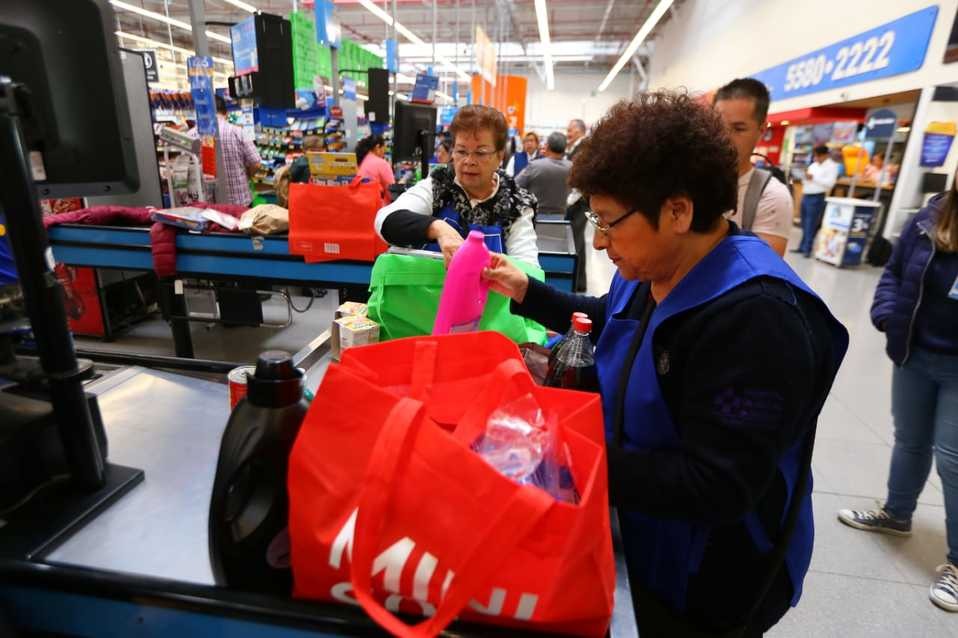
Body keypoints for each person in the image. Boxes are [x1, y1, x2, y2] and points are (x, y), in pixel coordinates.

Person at [482, 92, 848, 636]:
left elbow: (718, 485)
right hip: (645, 525)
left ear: (678, 210)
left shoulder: (756, 320)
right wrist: (527, 292)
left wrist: (560, 459)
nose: (601, 242)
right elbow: (611, 320)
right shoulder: (652, 272)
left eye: (609, 222)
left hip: (713, 575)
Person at [837, 171, 958, 613]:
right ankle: (897, 512)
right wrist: (887, 313)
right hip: (915, 351)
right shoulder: (931, 214)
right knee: (909, 439)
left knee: (953, 458)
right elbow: (893, 272)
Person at [375, 104, 538, 266]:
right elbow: (385, 220)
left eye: (480, 153)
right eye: (461, 151)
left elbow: (529, 268)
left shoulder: (516, 204)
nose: (469, 161)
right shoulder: (439, 186)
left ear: (500, 156)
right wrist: (437, 228)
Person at [713, 78, 793, 256]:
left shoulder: (771, 196)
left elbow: (760, 271)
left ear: (761, 129)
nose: (724, 138)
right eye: (717, 126)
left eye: (739, 129)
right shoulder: (689, 178)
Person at [214, 94, 261, 207]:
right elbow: (256, 163)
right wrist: (247, 174)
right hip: (239, 202)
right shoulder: (238, 132)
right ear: (226, 113)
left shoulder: (194, 134)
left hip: (211, 205)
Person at [795, 145, 839, 256]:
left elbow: (830, 183)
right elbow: (807, 179)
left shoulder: (832, 166)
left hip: (817, 196)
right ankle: (801, 246)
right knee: (804, 223)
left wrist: (813, 178)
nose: (816, 158)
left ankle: (807, 249)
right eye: (815, 156)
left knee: (811, 223)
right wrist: (804, 177)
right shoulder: (813, 165)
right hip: (806, 194)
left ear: (826, 155)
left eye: (818, 156)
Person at [515, 132, 571, 217]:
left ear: (547, 146)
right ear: (565, 148)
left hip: (534, 216)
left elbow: (515, 185)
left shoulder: (535, 166)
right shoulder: (571, 167)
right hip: (561, 217)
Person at [565, 118, 590, 291]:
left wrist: (571, 199)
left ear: (580, 130)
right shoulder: (575, 147)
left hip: (580, 201)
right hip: (576, 199)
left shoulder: (585, 147)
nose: (568, 134)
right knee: (576, 240)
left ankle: (578, 283)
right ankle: (578, 282)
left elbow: (583, 175)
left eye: (571, 130)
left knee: (577, 240)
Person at [355, 134, 395, 201]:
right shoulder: (381, 163)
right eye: (384, 148)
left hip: (362, 203)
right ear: (377, 147)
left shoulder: (363, 161)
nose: (384, 152)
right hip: (378, 207)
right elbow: (392, 191)